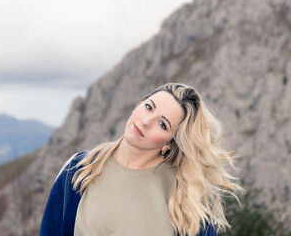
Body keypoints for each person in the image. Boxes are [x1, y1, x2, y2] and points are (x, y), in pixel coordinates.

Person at [39, 83, 242, 236]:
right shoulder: (77, 169)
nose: (146, 121)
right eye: (149, 107)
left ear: (169, 144)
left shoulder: (189, 196)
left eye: (162, 125)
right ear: (138, 104)